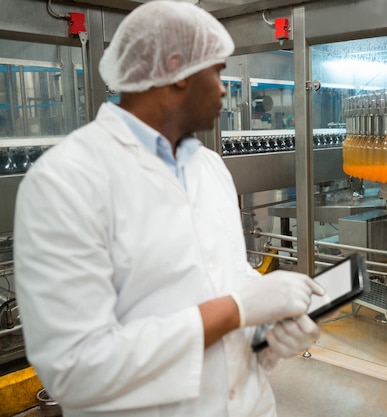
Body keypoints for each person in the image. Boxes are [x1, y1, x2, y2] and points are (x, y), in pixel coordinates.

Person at [13, 2, 325, 416]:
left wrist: (267, 327)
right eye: (216, 71)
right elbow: (76, 367)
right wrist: (238, 311)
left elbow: (224, 275)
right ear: (177, 69)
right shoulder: (67, 182)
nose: (223, 88)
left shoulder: (209, 167)